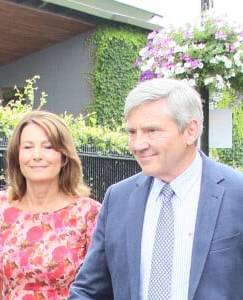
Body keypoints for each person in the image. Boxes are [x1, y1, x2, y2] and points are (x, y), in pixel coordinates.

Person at [68, 78, 243, 300]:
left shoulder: (237, 194)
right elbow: (89, 291)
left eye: (152, 131)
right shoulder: (119, 199)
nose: (138, 144)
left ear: (190, 131)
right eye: (132, 132)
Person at [0, 110, 101, 300]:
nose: (37, 155)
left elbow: (99, 288)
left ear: (64, 156)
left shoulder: (88, 213)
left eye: (48, 147)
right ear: (17, 156)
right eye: (28, 147)